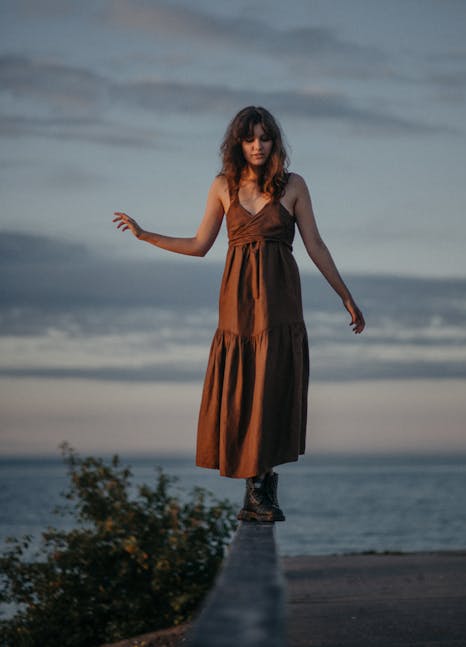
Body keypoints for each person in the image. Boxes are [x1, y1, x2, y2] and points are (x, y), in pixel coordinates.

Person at [113, 106, 365, 523]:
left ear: (274, 142)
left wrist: (346, 296)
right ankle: (257, 489)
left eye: (265, 138)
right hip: (236, 302)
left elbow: (316, 245)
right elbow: (199, 245)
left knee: (271, 385)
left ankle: (261, 486)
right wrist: (144, 234)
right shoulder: (222, 186)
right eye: (250, 139)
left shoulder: (293, 185)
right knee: (243, 388)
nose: (258, 146)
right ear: (238, 143)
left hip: (279, 299)